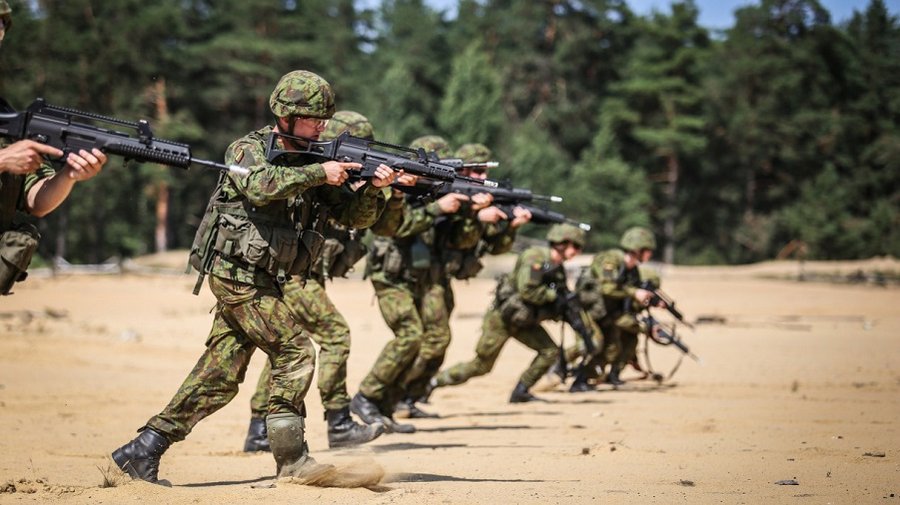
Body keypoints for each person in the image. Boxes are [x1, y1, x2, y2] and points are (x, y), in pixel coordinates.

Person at [111, 70, 397, 484]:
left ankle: (143, 449)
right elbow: (261, 187)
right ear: (284, 115)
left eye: (324, 118)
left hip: (266, 277)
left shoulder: (313, 159)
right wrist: (321, 173)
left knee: (220, 375)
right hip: (235, 274)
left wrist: (373, 188)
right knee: (296, 351)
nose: (321, 125)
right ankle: (293, 460)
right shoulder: (248, 149)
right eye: (312, 117)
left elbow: (352, 217)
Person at [242, 111, 388, 452]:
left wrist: (381, 188)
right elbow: (267, 188)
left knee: (287, 346)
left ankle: (259, 429)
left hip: (304, 273)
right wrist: (325, 174)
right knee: (334, 334)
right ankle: (338, 422)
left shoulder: (333, 178)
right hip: (288, 274)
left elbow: (370, 221)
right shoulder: (305, 169)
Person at [349, 135, 486, 433]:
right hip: (391, 277)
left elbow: (459, 240)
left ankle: (391, 405)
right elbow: (396, 228)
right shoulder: (395, 187)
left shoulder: (432, 192)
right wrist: (430, 205)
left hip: (422, 277)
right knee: (410, 336)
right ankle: (366, 396)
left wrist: (471, 214)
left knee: (432, 339)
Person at [396, 142, 531, 418]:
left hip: (438, 277)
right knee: (430, 339)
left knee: (437, 340)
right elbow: (449, 235)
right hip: (417, 276)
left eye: (483, 172)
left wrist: (507, 226)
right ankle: (396, 396)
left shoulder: (466, 197)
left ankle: (409, 397)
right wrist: (472, 214)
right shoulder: (436, 194)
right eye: (477, 171)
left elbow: (492, 247)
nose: (482, 177)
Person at [0, 0, 107, 295]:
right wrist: (3, 159)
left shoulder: (4, 114)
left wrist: (70, 175)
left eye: (0, 27)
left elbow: (37, 201)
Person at [428, 223, 586, 403]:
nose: (577, 252)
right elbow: (528, 290)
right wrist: (554, 297)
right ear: (562, 243)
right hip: (502, 320)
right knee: (481, 365)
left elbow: (558, 295)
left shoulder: (557, 268)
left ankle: (521, 390)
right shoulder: (535, 258)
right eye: (576, 247)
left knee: (549, 352)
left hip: (524, 322)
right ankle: (432, 383)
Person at [568, 226, 658, 391]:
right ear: (638, 250)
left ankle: (582, 379)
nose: (650, 254)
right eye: (648, 251)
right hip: (587, 311)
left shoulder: (633, 271)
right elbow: (607, 288)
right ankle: (559, 368)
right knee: (593, 344)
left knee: (611, 350)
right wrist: (634, 292)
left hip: (606, 314)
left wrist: (651, 301)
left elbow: (628, 296)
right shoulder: (611, 260)